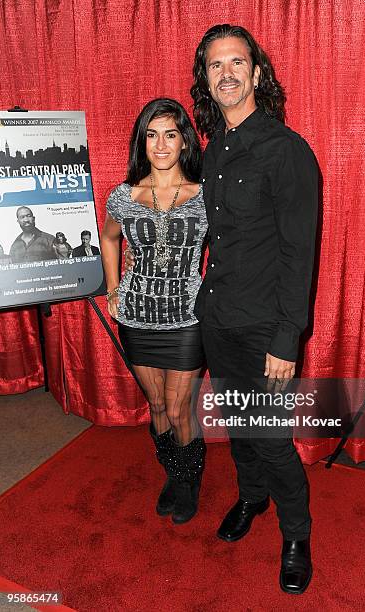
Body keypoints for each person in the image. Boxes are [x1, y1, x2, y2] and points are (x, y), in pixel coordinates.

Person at [191, 25, 318, 595]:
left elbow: (299, 253)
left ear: (256, 74)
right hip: (219, 319)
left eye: (236, 62)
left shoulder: (287, 151)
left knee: (269, 437)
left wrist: (287, 337)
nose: (227, 74)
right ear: (207, 80)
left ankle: (296, 536)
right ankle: (251, 499)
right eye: (215, 66)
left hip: (267, 327)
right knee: (239, 430)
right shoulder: (214, 149)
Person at [101, 98, 208, 525]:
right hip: (137, 318)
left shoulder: (206, 195)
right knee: (158, 408)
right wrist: (113, 289)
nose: (161, 144)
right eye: (152, 134)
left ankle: (188, 481)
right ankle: (172, 473)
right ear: (141, 142)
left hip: (186, 319)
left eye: (170, 134)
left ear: (184, 141)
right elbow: (109, 239)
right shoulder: (124, 196)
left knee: (180, 409)